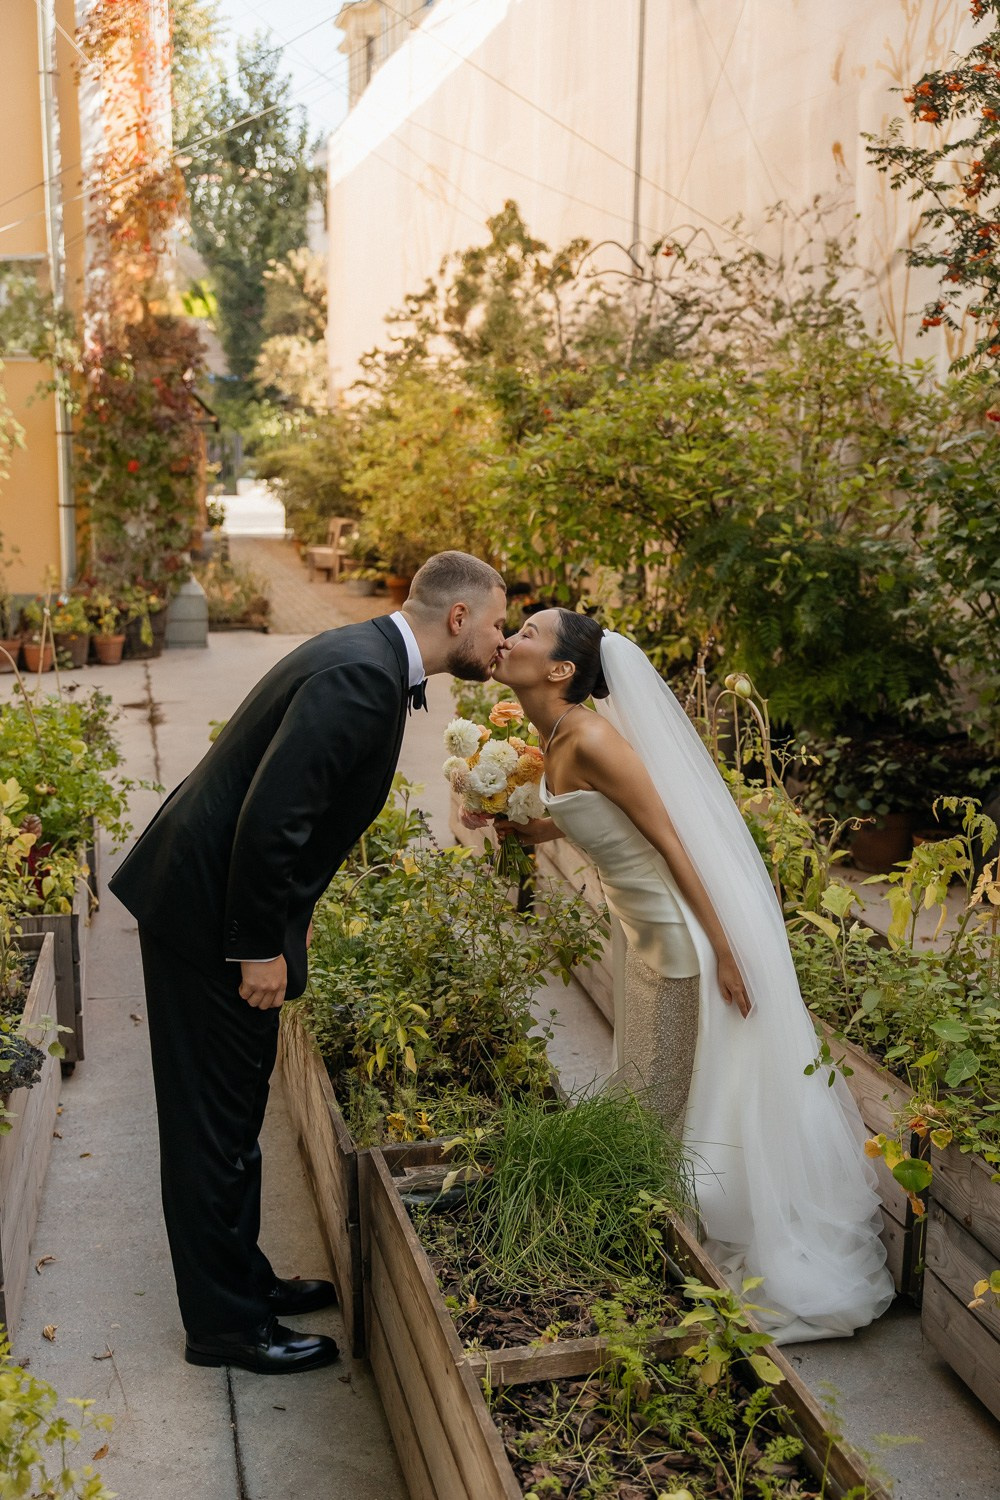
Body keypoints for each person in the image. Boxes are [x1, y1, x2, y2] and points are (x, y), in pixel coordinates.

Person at [109, 551, 507, 1373]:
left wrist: (293, 922)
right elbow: (271, 821)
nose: (502, 641)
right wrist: (259, 945)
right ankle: (224, 1328)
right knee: (213, 1131)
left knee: (232, 1121)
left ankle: (242, 1281)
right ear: (458, 618)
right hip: (208, 922)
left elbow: (292, 811)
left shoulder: (363, 654)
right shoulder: (360, 678)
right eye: (499, 622)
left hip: (216, 907)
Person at [491, 609, 894, 1344]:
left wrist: (729, 952)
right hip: (640, 937)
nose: (509, 638)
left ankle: (651, 1258)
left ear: (559, 671)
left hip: (678, 944)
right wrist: (537, 825)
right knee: (649, 1089)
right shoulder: (553, 735)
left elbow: (674, 839)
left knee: (653, 1098)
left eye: (528, 633)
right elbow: (599, 817)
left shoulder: (593, 737)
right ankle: (650, 1245)